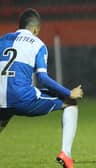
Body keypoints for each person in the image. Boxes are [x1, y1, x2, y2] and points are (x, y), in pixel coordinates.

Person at [0, 8, 83, 168]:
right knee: (70, 103)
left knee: (4, 114)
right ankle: (66, 154)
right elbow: (43, 79)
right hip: (21, 98)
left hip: (0, 98)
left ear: (20, 25)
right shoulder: (38, 45)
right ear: (36, 29)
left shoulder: (2, 40)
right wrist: (69, 92)